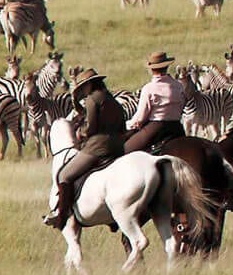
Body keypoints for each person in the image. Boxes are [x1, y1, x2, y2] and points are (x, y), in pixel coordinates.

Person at [44, 69, 124, 229]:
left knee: (64, 175)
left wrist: (80, 132)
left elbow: (90, 128)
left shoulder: (92, 100)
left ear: (89, 84)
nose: (83, 90)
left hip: (98, 147)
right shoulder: (111, 98)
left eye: (83, 86)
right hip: (118, 146)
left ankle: (62, 216)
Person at [124, 52, 186, 153]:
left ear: (151, 70)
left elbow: (140, 119)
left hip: (156, 129)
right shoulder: (179, 86)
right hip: (177, 128)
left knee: (124, 151)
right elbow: (182, 106)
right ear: (166, 67)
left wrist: (128, 125)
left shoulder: (149, 88)